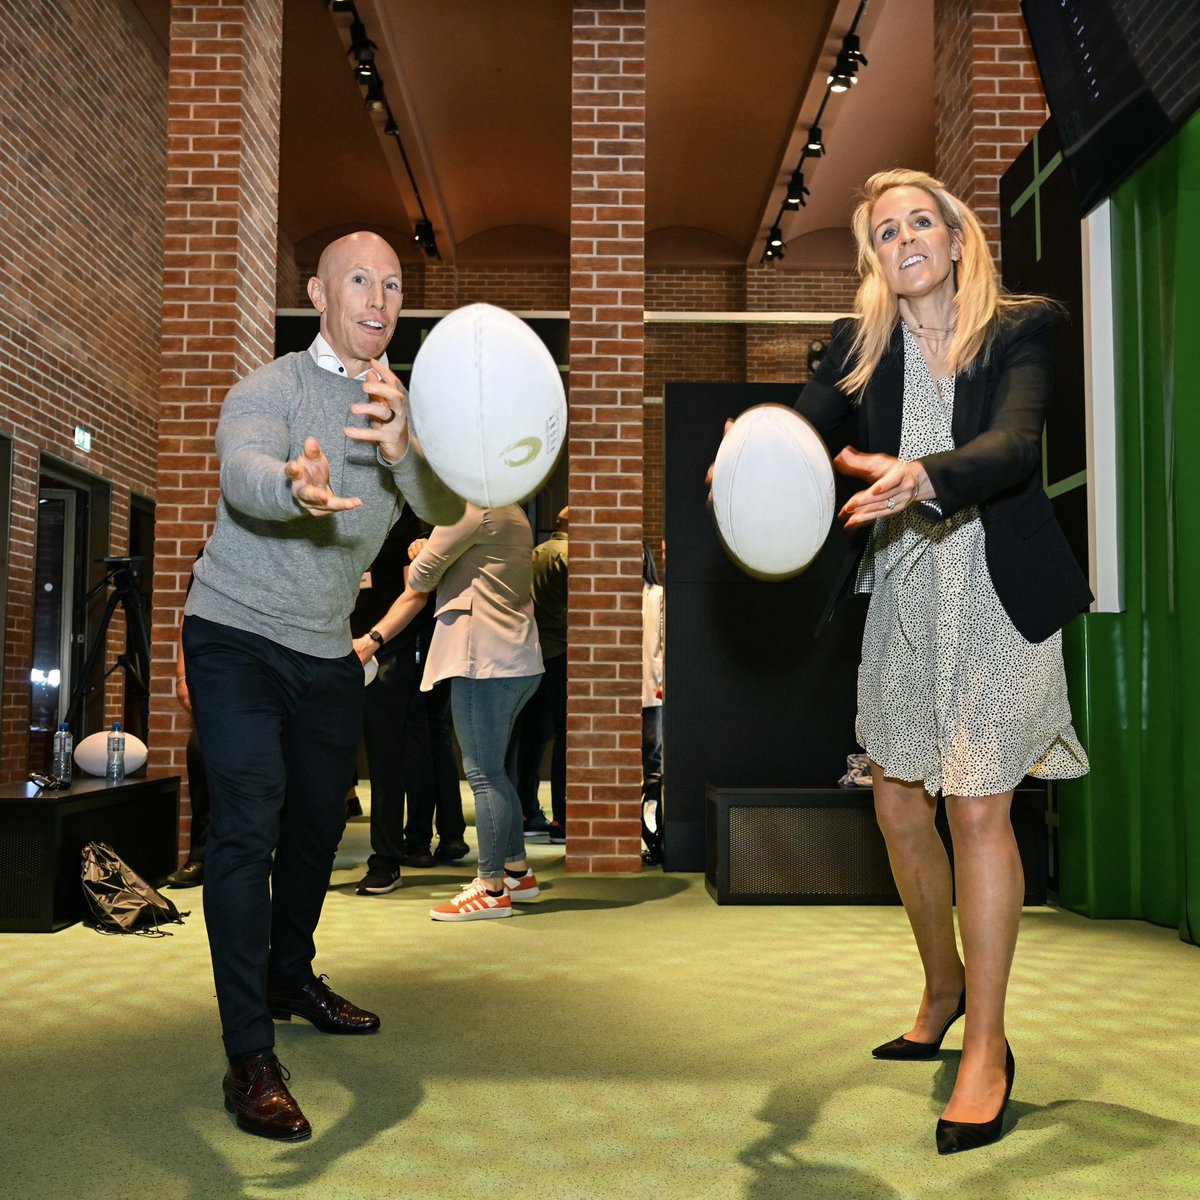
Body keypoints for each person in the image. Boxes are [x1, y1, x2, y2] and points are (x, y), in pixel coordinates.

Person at [786, 170, 1091, 1154]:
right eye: (886, 229)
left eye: (923, 221)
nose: (906, 237)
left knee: (977, 803)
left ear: (957, 240)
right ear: (875, 255)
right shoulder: (858, 345)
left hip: (995, 583)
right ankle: (944, 983)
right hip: (903, 592)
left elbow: (1012, 447)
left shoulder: (1021, 325)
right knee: (896, 800)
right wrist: (752, 456)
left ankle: (989, 1049)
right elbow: (799, 434)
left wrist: (923, 474)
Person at [181, 231, 463, 1142]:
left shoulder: (401, 400)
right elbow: (244, 471)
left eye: (392, 284)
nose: (378, 298)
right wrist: (294, 490)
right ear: (318, 292)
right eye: (358, 281)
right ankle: (249, 1054)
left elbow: (442, 505)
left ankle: (290, 973)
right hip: (232, 633)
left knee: (314, 828)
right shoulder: (271, 389)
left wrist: (400, 451)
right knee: (249, 818)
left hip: (325, 650)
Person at [359, 503, 543, 922]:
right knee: (494, 771)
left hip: (484, 658)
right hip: (513, 656)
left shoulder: (470, 510)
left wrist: (422, 550)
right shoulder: (511, 509)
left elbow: (422, 576)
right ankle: (516, 872)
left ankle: (491, 888)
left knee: (484, 774)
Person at [351, 506, 468, 896]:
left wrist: (373, 641)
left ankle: (388, 857)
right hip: (332, 647)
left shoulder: (404, 530)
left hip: (390, 651)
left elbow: (414, 594)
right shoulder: (341, 521)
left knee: (392, 757)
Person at [510, 505, 568, 842]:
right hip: (561, 652)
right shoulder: (570, 555)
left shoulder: (536, 553)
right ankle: (563, 818)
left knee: (531, 738)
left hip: (532, 653)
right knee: (565, 738)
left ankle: (528, 810)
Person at [640, 543, 664, 862]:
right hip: (621, 690)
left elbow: (664, 641)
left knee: (653, 760)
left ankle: (653, 833)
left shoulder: (657, 595)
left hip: (651, 689)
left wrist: (662, 679)